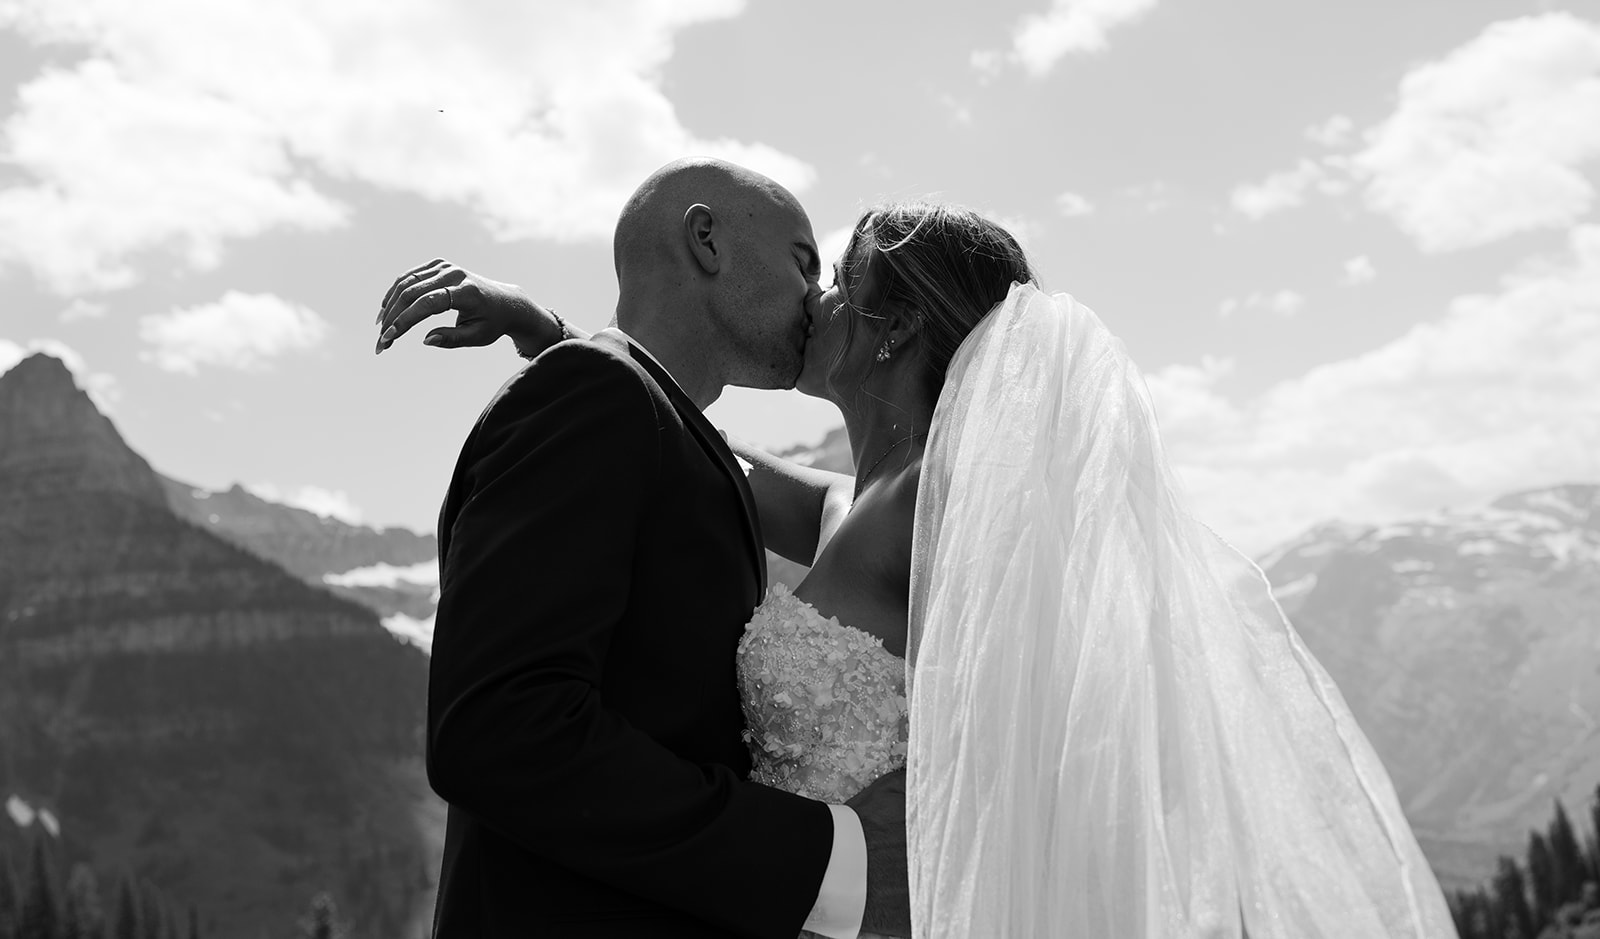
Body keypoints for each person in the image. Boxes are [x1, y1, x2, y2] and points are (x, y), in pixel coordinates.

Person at [379, 193, 1460, 937]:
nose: (811, 299)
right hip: (792, 893)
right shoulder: (856, 499)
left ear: (893, 327)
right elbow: (672, 437)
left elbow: (1032, 725)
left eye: (831, 277)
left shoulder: (947, 508)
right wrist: (550, 330)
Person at [408, 158, 911, 939]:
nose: (816, 297)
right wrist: (827, 860)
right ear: (706, 239)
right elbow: (502, 726)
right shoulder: (592, 395)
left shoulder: (628, 409)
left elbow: (667, 427)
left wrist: (564, 338)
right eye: (804, 262)